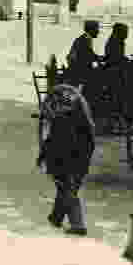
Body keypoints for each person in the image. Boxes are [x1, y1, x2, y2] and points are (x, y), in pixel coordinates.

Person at [37, 84, 94, 236]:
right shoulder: (83, 121)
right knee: (66, 188)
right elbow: (90, 142)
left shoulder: (60, 122)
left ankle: (78, 224)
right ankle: (56, 217)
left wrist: (43, 156)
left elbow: (52, 142)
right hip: (80, 158)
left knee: (67, 189)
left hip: (66, 160)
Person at [66, 20, 101, 88]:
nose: (98, 31)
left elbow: (90, 54)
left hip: (78, 70)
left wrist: (98, 58)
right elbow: (88, 56)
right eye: (97, 29)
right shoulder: (85, 40)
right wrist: (99, 59)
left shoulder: (84, 38)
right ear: (91, 30)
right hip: (78, 72)